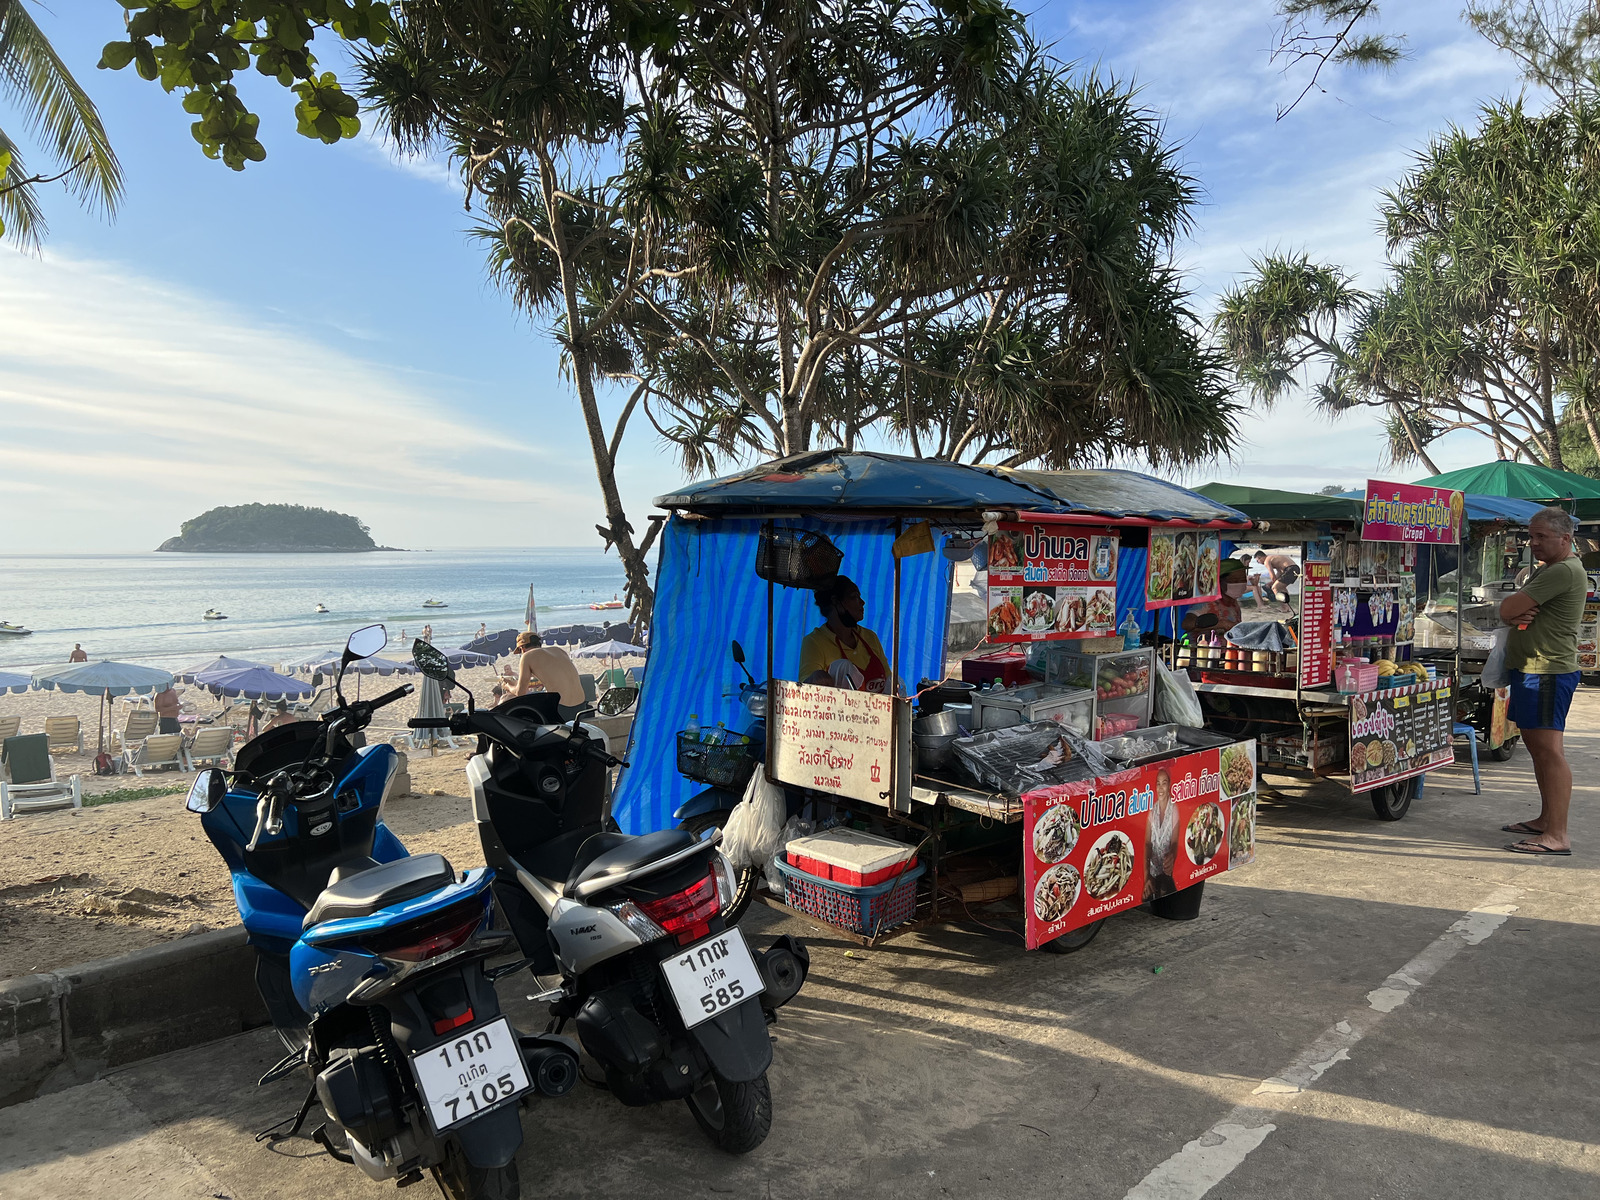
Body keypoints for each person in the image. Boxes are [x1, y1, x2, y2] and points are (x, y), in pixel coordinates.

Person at [1499, 506, 1587, 856]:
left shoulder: (1563, 570)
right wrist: (1514, 611)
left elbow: (1506, 611)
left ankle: (1557, 835)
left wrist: (1513, 610)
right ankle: (1546, 820)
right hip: (1532, 668)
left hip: (1547, 670)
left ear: (1565, 539)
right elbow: (1511, 612)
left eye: (1541, 537)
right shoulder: (1550, 569)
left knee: (1549, 752)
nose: (1532, 543)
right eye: (1530, 536)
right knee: (1537, 749)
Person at [799, 575, 897, 694]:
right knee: (842, 667)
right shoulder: (815, 642)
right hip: (837, 711)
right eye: (854, 597)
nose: (862, 602)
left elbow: (888, 680)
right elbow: (805, 689)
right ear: (836, 602)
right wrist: (815, 678)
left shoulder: (870, 637)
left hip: (879, 711)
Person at [512, 631, 588, 719]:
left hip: (561, 709)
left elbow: (520, 693)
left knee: (521, 712)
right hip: (581, 707)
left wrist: (508, 686)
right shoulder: (558, 650)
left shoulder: (526, 656)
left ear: (522, 648)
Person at [1182, 558, 1248, 636]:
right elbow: (1187, 624)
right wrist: (1222, 624)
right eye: (1234, 580)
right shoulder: (1207, 602)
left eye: (1243, 580)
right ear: (1220, 581)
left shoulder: (1233, 603)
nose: (1240, 584)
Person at [1143, 766, 1178, 900]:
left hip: (1168, 874)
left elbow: (1175, 842)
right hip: (1152, 871)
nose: (1161, 787)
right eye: (1158, 783)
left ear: (1169, 785)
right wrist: (1146, 876)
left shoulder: (1174, 809)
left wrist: (1172, 855)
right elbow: (1147, 843)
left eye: (1164, 783)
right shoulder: (1152, 811)